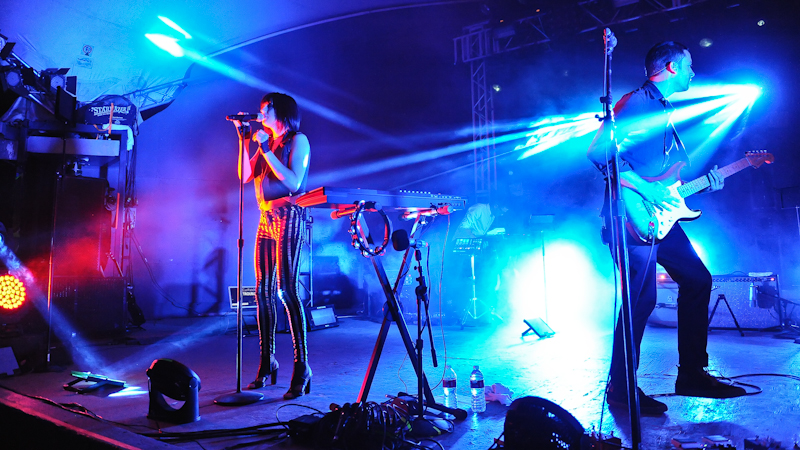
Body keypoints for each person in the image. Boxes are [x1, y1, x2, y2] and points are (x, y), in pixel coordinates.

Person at [586, 42, 745, 415]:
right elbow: (598, 154)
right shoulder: (637, 103)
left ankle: (691, 373)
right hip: (628, 217)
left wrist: (708, 181)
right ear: (670, 68)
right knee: (641, 302)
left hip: (658, 215)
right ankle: (622, 390)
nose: (694, 72)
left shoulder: (661, 109)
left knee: (697, 279)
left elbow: (659, 173)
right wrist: (645, 187)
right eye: (689, 65)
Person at [233, 92, 311, 400]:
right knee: (262, 291)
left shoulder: (298, 140)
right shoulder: (267, 144)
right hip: (266, 218)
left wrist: (265, 148)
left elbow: (293, 182)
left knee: (286, 291)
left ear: (277, 111)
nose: (259, 114)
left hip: (289, 214)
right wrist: (244, 142)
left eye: (263, 110)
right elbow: (244, 176)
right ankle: (268, 363)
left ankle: (302, 366)